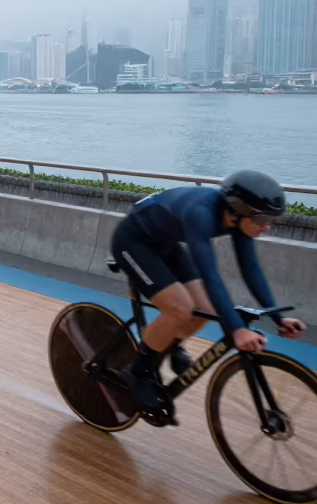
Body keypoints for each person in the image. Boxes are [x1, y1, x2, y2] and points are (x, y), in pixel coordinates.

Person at [111, 169, 306, 417]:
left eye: (271, 220)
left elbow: (251, 270)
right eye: (260, 219)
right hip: (133, 242)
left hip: (165, 244)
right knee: (179, 307)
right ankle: (135, 373)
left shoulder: (240, 221)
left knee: (204, 309)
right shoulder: (201, 214)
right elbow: (210, 276)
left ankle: (171, 345)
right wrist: (237, 329)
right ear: (237, 210)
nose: (266, 227)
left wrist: (278, 318)